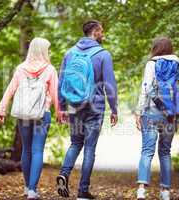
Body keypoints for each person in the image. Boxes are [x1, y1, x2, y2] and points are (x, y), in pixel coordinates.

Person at [56, 20, 118, 200]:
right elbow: (110, 84)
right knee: (89, 148)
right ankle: (83, 191)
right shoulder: (103, 54)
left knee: (75, 143)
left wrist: (61, 107)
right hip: (94, 106)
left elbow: (61, 82)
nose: (103, 34)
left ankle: (64, 174)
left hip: (74, 105)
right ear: (95, 32)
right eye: (102, 31)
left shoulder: (70, 53)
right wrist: (114, 108)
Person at [0, 37, 60, 200]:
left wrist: (2, 109)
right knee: (38, 150)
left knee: (26, 149)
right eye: (48, 49)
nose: (49, 52)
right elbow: (55, 94)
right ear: (43, 50)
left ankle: (27, 187)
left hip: (24, 115)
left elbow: (10, 90)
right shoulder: (50, 69)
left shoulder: (20, 68)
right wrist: (60, 112)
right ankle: (32, 190)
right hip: (42, 114)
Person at [135, 37, 179, 200]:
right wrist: (177, 115)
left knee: (147, 151)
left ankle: (141, 189)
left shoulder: (152, 64)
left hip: (151, 112)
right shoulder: (178, 65)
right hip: (170, 115)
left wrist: (138, 111)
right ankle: (165, 192)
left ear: (155, 48)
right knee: (165, 153)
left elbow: (146, 87)